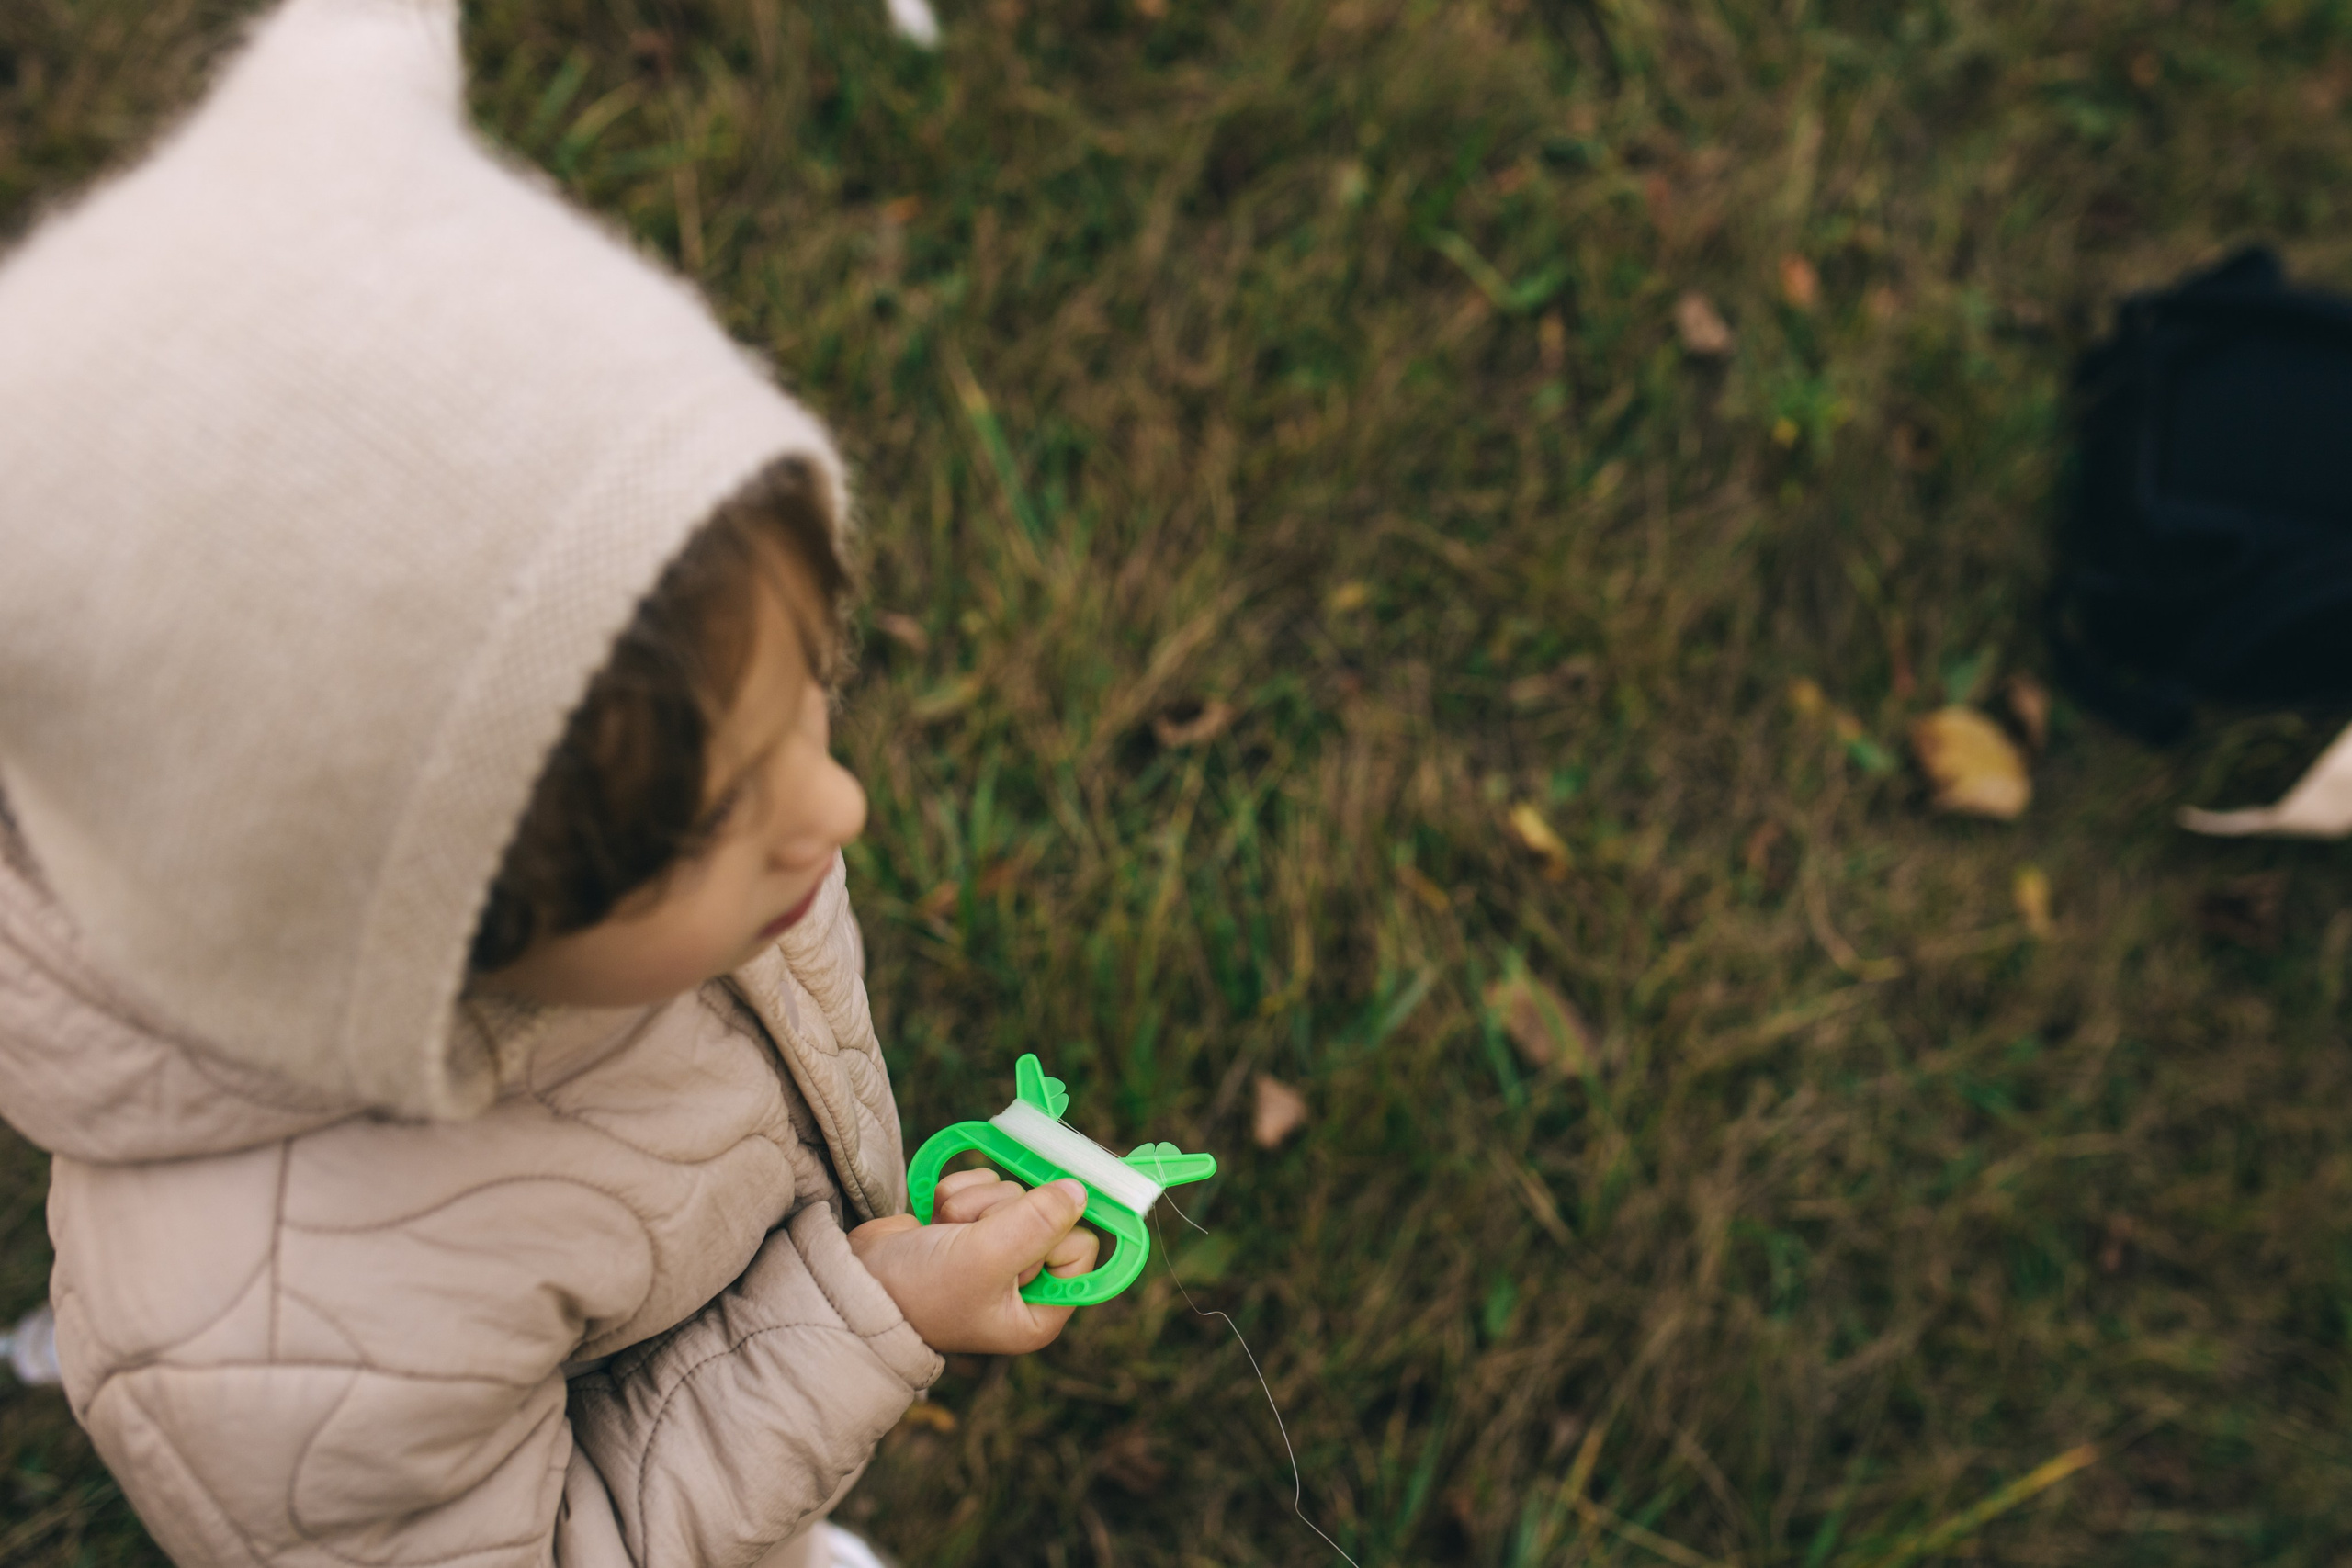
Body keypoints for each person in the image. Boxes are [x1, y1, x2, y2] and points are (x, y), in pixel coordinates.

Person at [0, 2, 1095, 1563]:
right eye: (724, 808)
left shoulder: (627, 841)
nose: (836, 811)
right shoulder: (291, 1345)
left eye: (808, 696)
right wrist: (862, 1325)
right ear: (419, 929)